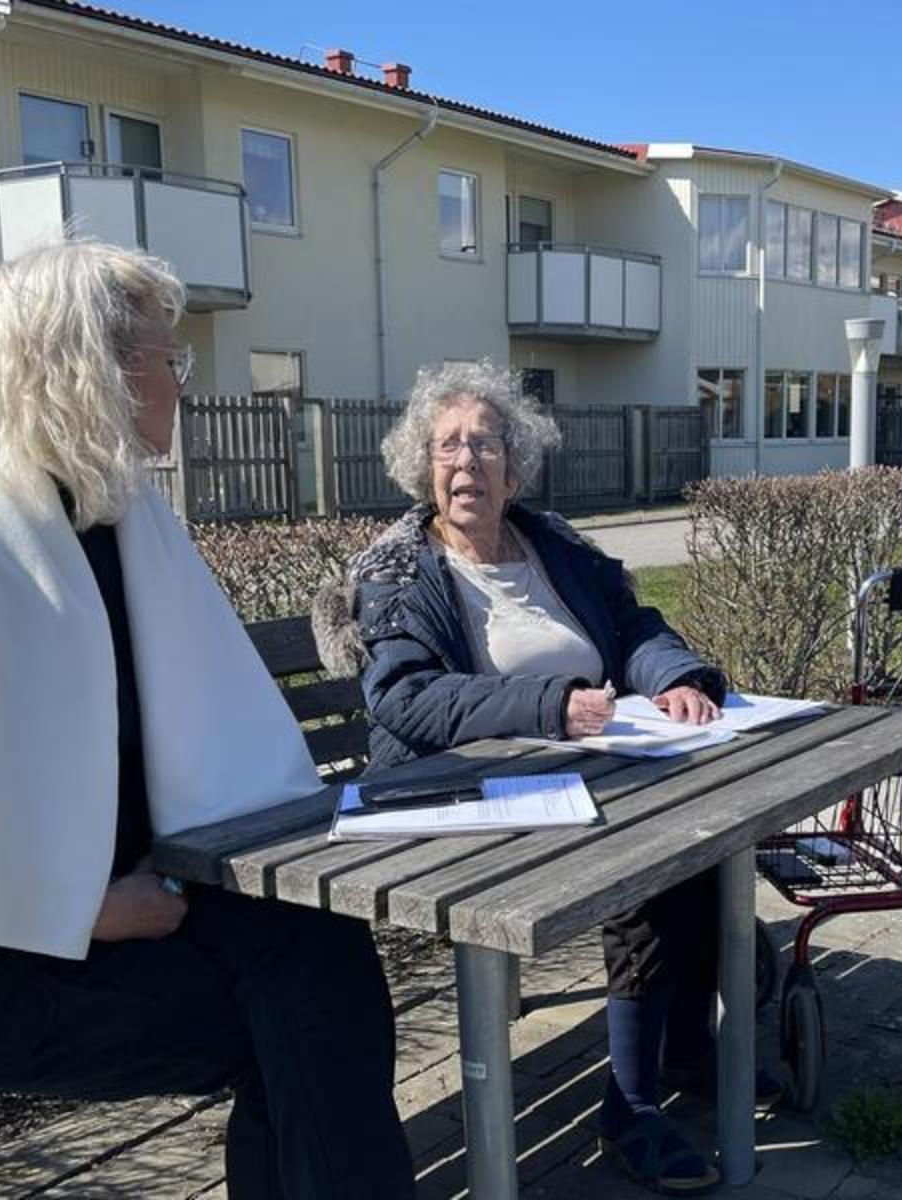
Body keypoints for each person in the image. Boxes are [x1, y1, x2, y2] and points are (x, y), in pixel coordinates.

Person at [0, 241, 416, 1197]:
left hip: (132, 896)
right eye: (166, 361)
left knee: (327, 955)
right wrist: (88, 909)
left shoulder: (111, 517)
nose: (182, 384)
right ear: (89, 371)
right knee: (305, 1027)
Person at [313, 360, 768, 1197]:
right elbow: (406, 699)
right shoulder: (396, 570)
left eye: (485, 444)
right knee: (642, 866)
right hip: (458, 794)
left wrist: (675, 678)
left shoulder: (551, 542)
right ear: (422, 463)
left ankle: (692, 1058)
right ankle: (630, 1105)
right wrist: (553, 706)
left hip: (589, 768)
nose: (466, 463)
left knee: (708, 839)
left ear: (514, 465)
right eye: (448, 445)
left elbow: (633, 625)